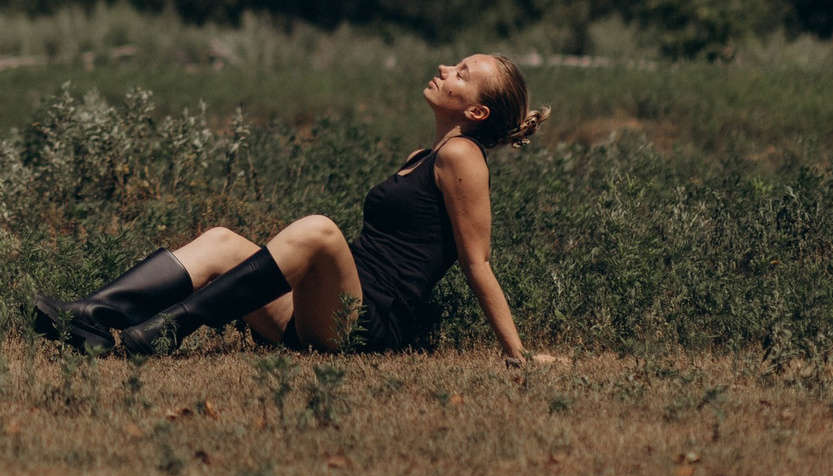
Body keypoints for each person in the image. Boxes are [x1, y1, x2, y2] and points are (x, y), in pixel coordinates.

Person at [32, 54, 555, 363]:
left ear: (476, 110)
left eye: (461, 73)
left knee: (321, 231)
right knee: (221, 241)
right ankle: (91, 317)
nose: (445, 68)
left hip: (368, 324)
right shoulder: (427, 154)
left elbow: (477, 262)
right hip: (322, 311)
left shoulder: (463, 157)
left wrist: (517, 353)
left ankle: (166, 330)